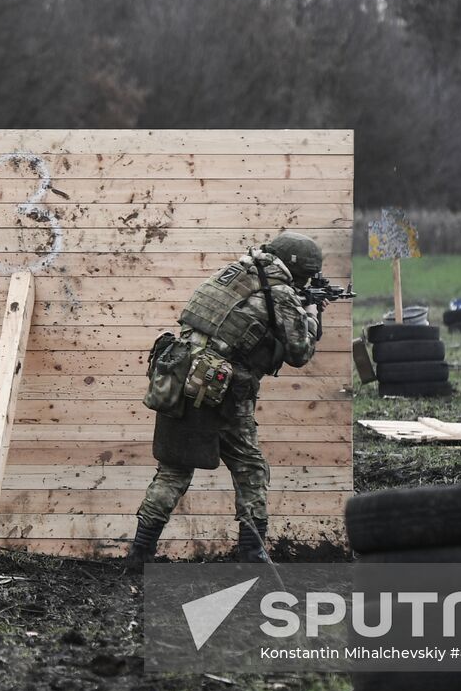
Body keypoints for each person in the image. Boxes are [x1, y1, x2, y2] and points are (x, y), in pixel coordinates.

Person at [128, 231, 326, 565]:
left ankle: (139, 552)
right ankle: (252, 551)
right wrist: (311, 313)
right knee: (250, 468)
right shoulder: (279, 293)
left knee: (174, 471)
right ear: (301, 271)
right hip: (223, 390)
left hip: (180, 377)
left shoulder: (231, 275)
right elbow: (300, 353)